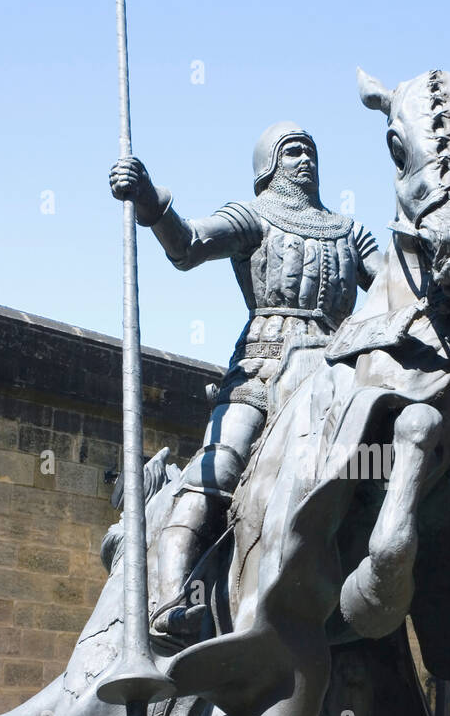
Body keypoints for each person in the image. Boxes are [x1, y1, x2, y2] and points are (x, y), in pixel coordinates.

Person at [109, 123, 381, 636]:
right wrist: (150, 203)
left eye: (311, 152)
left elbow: (394, 282)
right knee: (217, 469)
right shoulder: (253, 215)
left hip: (341, 365)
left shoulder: (349, 231)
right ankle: (170, 599)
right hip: (265, 363)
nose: (305, 160)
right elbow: (187, 245)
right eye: (292, 151)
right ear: (269, 164)